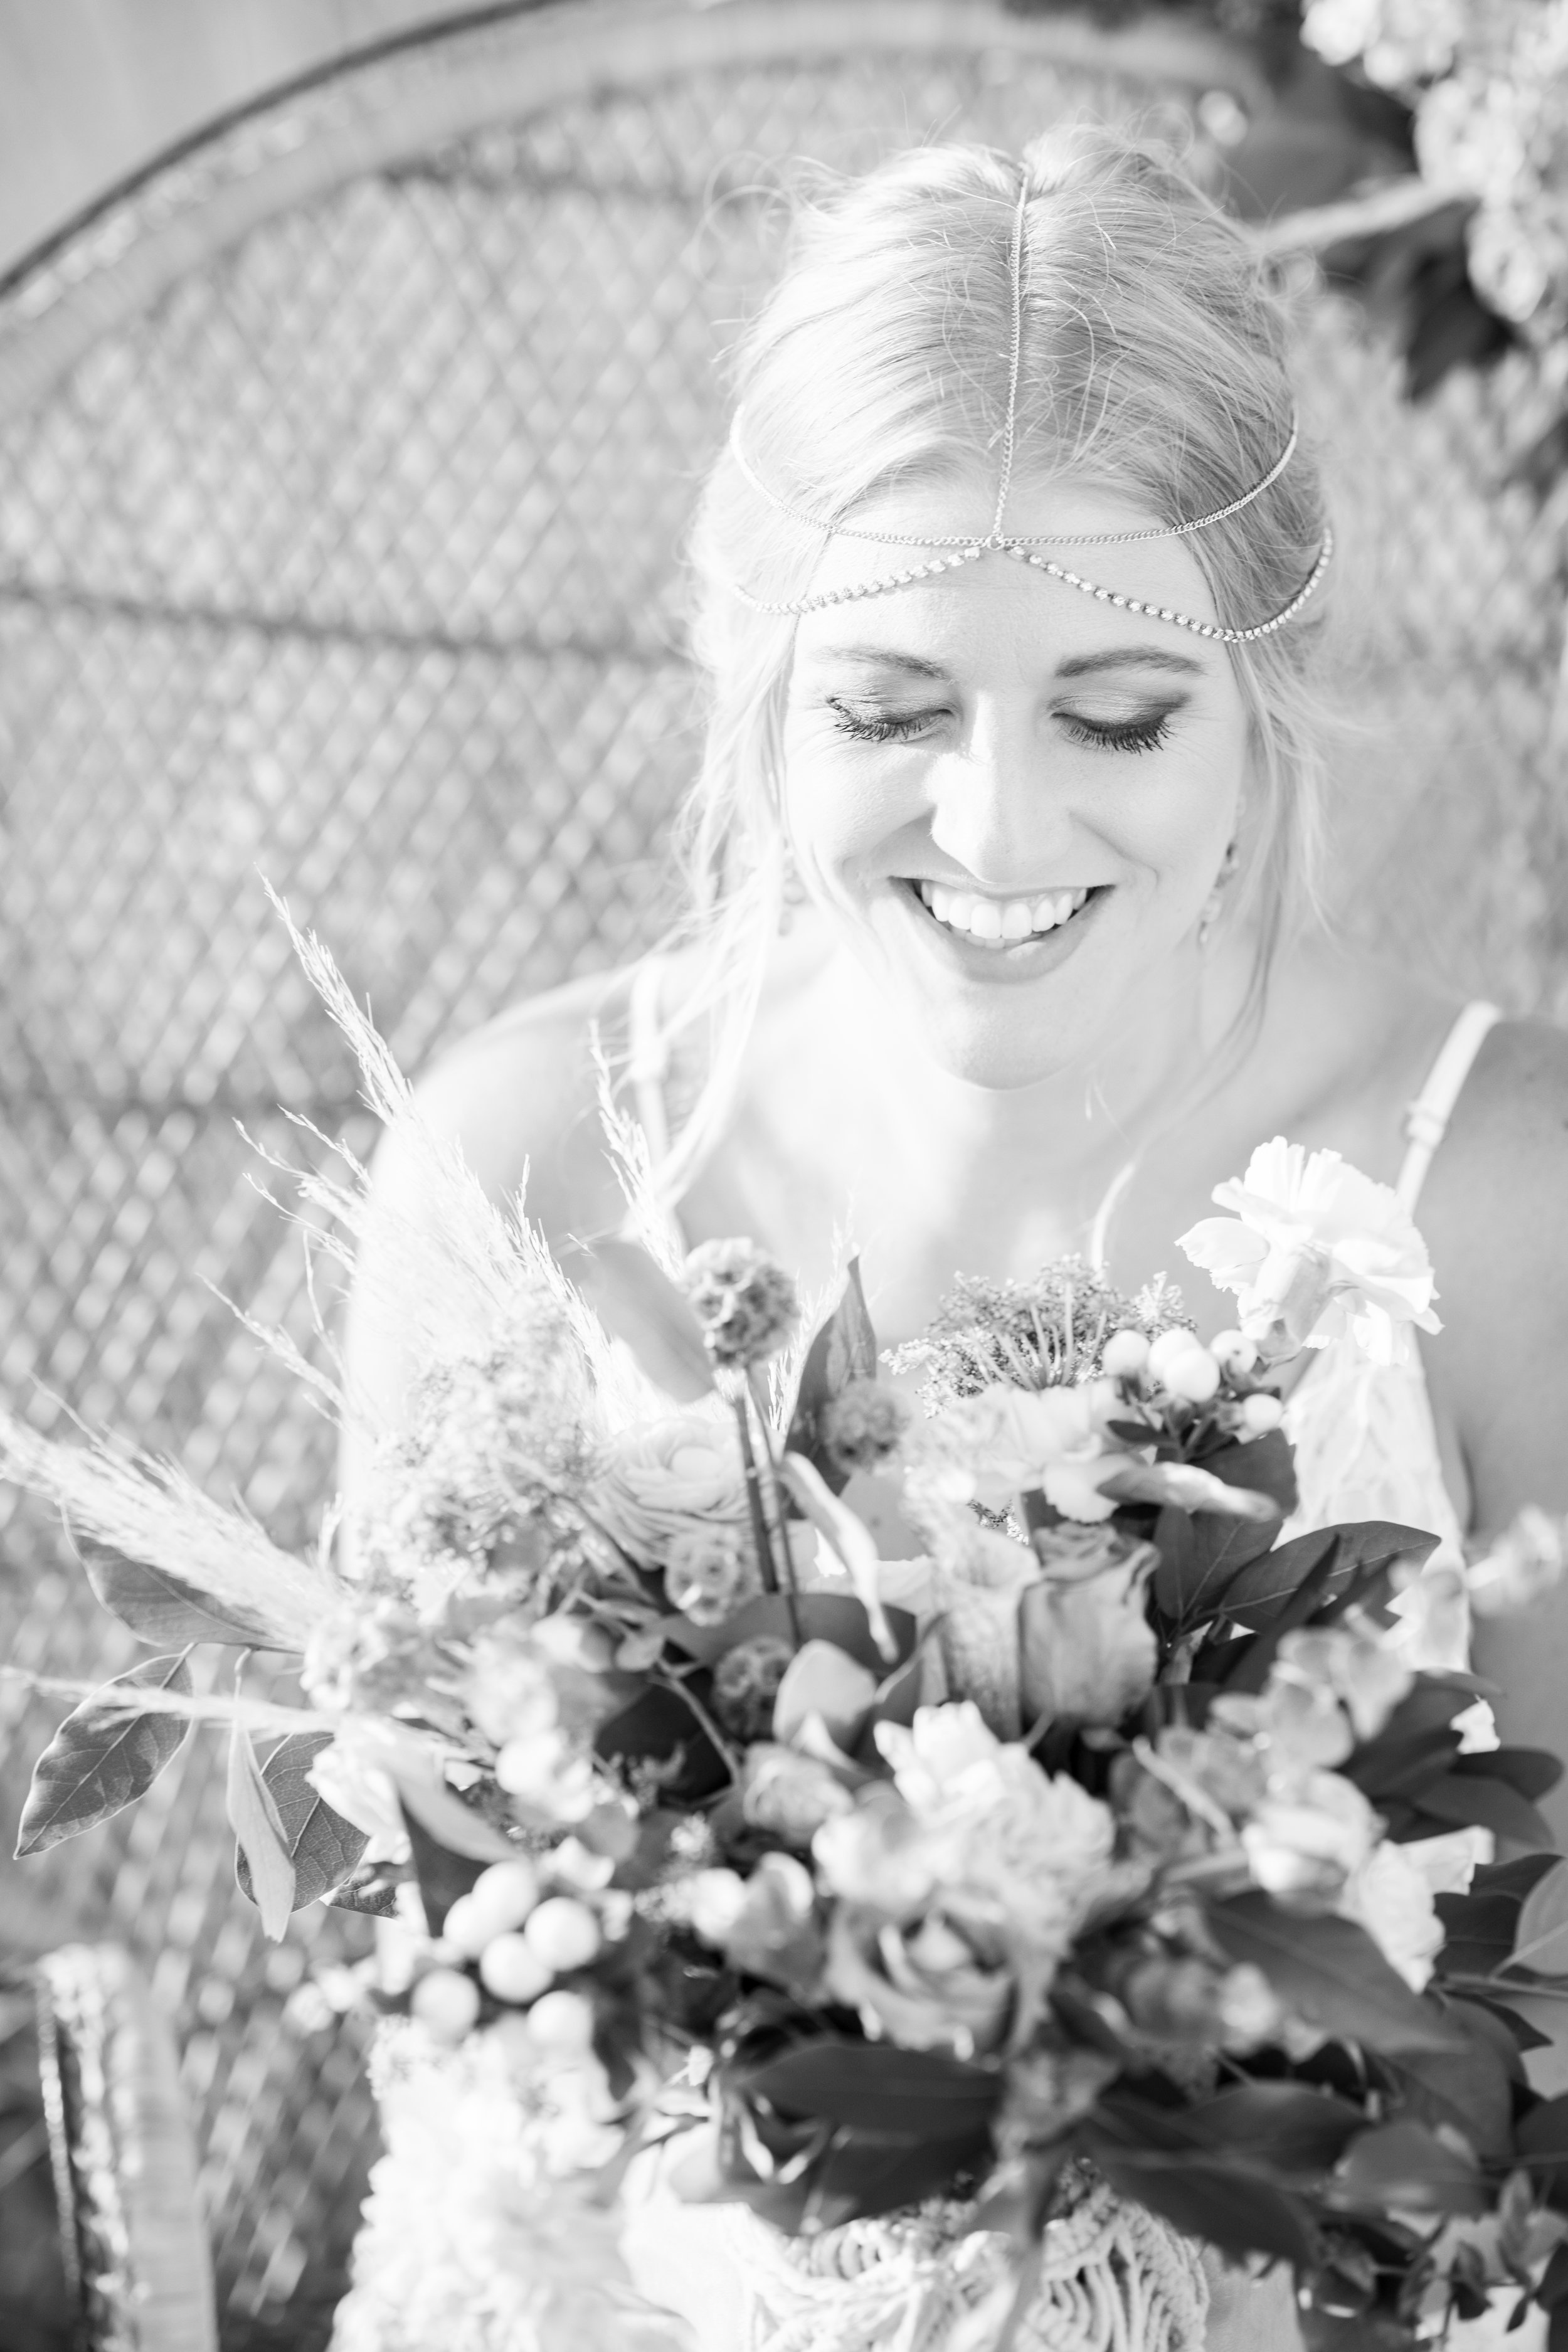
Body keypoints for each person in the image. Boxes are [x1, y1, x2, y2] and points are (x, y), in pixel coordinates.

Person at [340, 129, 1568, 2352]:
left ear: (1259, 694)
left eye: (1115, 717)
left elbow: (1550, 2063)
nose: (995, 830)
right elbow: (433, 1997)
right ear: (756, 677)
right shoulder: (521, 1167)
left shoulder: (1508, 1194)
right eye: (889, 710)